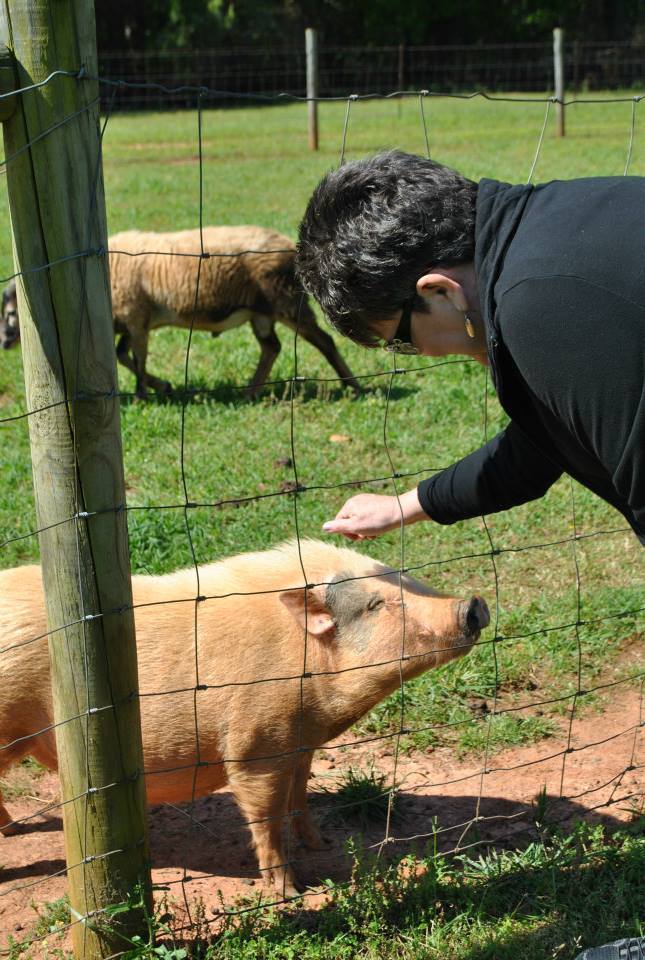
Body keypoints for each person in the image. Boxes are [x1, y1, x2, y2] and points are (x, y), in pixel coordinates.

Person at [295, 150, 645, 545]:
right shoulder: (559, 215)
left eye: (402, 341)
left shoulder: (537, 307)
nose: (421, 354)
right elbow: (549, 434)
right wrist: (406, 505)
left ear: (441, 291)